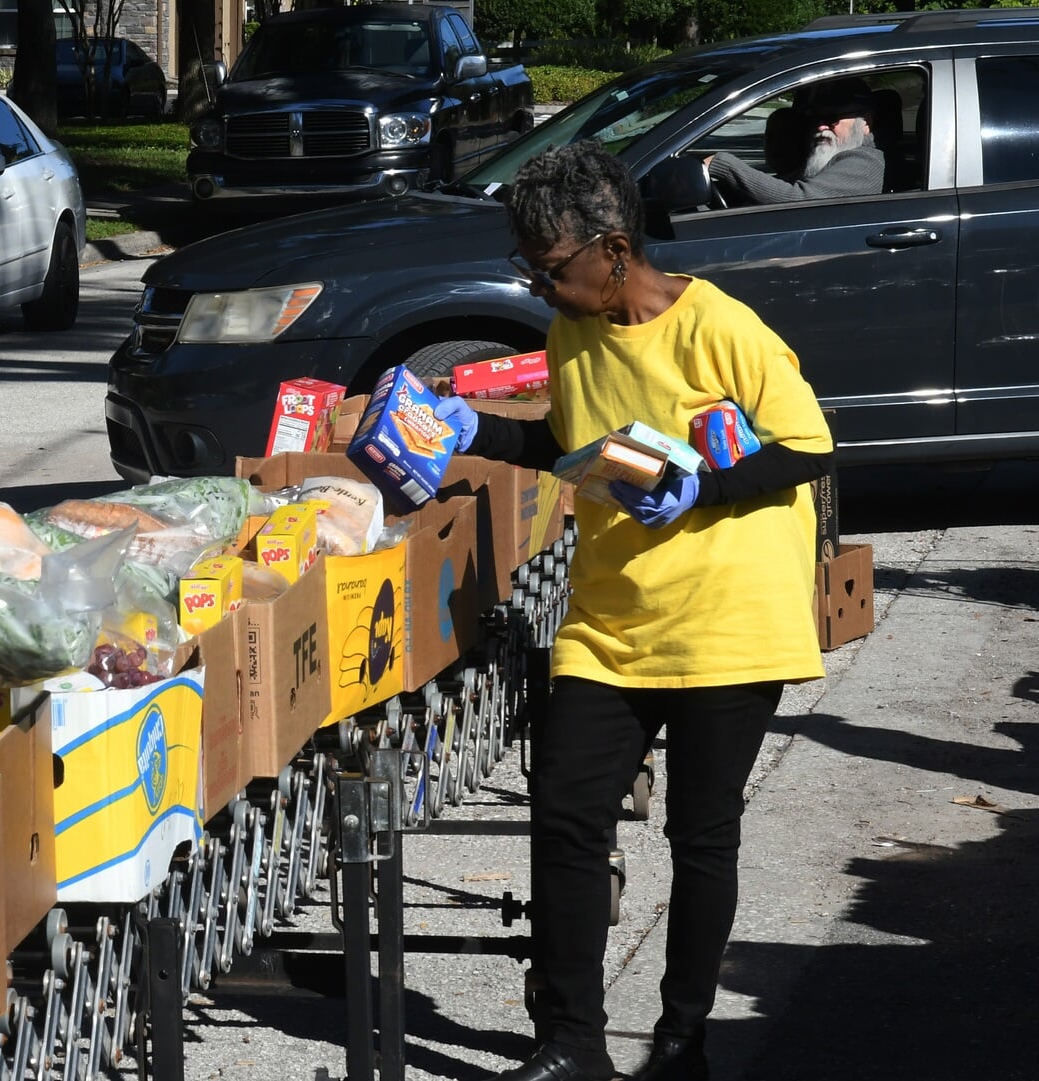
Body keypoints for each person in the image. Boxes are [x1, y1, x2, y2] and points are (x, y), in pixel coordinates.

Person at [433, 141, 836, 1081]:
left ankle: (682, 1039)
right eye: (530, 269)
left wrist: (703, 487)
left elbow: (808, 444)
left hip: (729, 617)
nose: (540, 288)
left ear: (613, 250)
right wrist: (471, 429)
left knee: (701, 833)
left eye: (551, 269)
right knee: (567, 816)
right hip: (610, 620)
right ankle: (571, 1043)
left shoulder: (720, 328)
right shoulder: (576, 333)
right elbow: (574, 446)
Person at [703, 77, 885, 204]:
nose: (821, 127)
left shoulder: (865, 161)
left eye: (832, 118)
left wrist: (722, 164)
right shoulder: (828, 160)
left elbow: (800, 200)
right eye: (816, 118)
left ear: (866, 123)